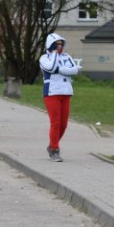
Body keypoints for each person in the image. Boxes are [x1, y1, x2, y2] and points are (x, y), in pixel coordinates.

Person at [39, 33, 80, 162]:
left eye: (61, 44)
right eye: (57, 44)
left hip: (66, 92)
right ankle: (54, 150)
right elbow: (50, 68)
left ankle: (51, 144)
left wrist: (60, 69)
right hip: (52, 92)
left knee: (64, 124)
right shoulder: (44, 58)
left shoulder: (67, 57)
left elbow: (75, 70)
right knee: (55, 122)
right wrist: (55, 54)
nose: (60, 46)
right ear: (51, 44)